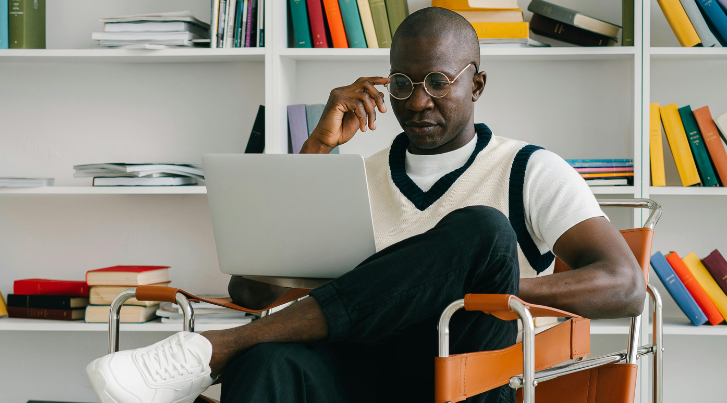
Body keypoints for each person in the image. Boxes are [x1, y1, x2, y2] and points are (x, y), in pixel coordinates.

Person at [86, 7, 645, 403]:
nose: (418, 100)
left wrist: (454, 292)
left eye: (437, 81)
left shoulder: (529, 168)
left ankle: (212, 350)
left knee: (482, 230)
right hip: (360, 369)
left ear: (476, 84)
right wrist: (319, 148)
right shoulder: (356, 176)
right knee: (268, 363)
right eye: (403, 83)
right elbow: (253, 289)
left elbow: (624, 286)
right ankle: (238, 350)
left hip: (465, 373)